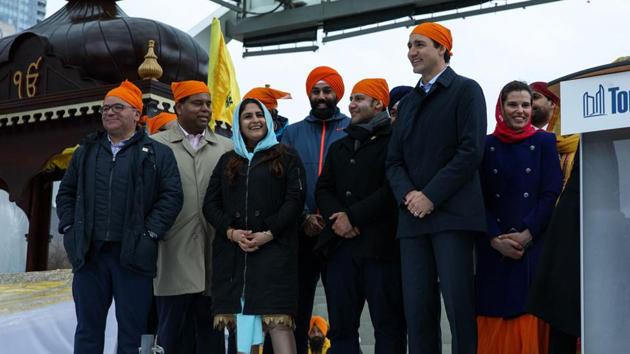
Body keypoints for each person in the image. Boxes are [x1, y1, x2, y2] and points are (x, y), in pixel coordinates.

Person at [56, 80, 183, 354]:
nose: (109, 113)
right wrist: (69, 228)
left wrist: (149, 234)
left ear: (136, 114)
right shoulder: (86, 152)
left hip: (134, 257)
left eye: (117, 107)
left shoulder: (158, 154)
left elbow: (171, 197)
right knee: (88, 331)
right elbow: (65, 193)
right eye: (105, 109)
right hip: (90, 257)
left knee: (132, 334)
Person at [386, 22, 487, 354]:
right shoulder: (410, 102)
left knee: (459, 309)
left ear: (442, 48)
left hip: (453, 219)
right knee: (418, 312)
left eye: (419, 45)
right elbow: (393, 161)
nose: (411, 52)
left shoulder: (466, 90)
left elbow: (470, 150)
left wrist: (430, 195)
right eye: (409, 46)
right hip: (413, 222)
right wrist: (411, 197)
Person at [203, 98, 306, 354]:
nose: (254, 120)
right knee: (240, 326)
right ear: (239, 123)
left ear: (268, 120)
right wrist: (231, 232)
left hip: (275, 252)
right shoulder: (228, 160)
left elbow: (295, 201)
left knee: (279, 324)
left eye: (259, 114)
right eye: (247, 116)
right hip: (234, 255)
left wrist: (268, 233)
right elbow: (210, 205)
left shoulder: (287, 156)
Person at [315, 78, 406, 353]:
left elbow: (391, 191)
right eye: (351, 99)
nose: (351, 104)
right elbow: (324, 189)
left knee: (389, 328)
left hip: (382, 251)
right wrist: (338, 219)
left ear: (378, 104)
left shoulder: (395, 143)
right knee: (341, 329)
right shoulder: (339, 146)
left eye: (358, 98)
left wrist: (352, 217)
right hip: (341, 250)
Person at [476, 80, 562, 354]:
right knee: (494, 314)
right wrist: (494, 238)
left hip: (532, 247)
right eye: (513, 104)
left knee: (528, 316)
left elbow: (550, 193)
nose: (520, 110)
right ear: (501, 107)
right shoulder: (485, 145)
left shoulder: (545, 141)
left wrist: (527, 234)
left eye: (526, 104)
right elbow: (478, 197)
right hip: (494, 251)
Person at [151, 81, 234, 354]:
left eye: (208, 103)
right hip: (172, 254)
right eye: (198, 103)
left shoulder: (226, 148)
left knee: (211, 341)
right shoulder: (155, 146)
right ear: (179, 107)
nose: (206, 109)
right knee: (172, 339)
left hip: (214, 256)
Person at [279, 66, 350, 354]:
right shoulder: (292, 133)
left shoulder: (352, 128)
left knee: (343, 310)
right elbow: (282, 181)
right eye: (315, 91)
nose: (321, 96)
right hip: (302, 233)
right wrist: (304, 216)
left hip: (340, 233)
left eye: (327, 90)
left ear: (337, 94)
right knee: (297, 311)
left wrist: (341, 216)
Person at [527, 81, 581, 354]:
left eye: (536, 98)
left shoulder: (584, 140)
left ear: (554, 103)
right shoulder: (541, 144)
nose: (531, 105)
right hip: (545, 235)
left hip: (575, 232)